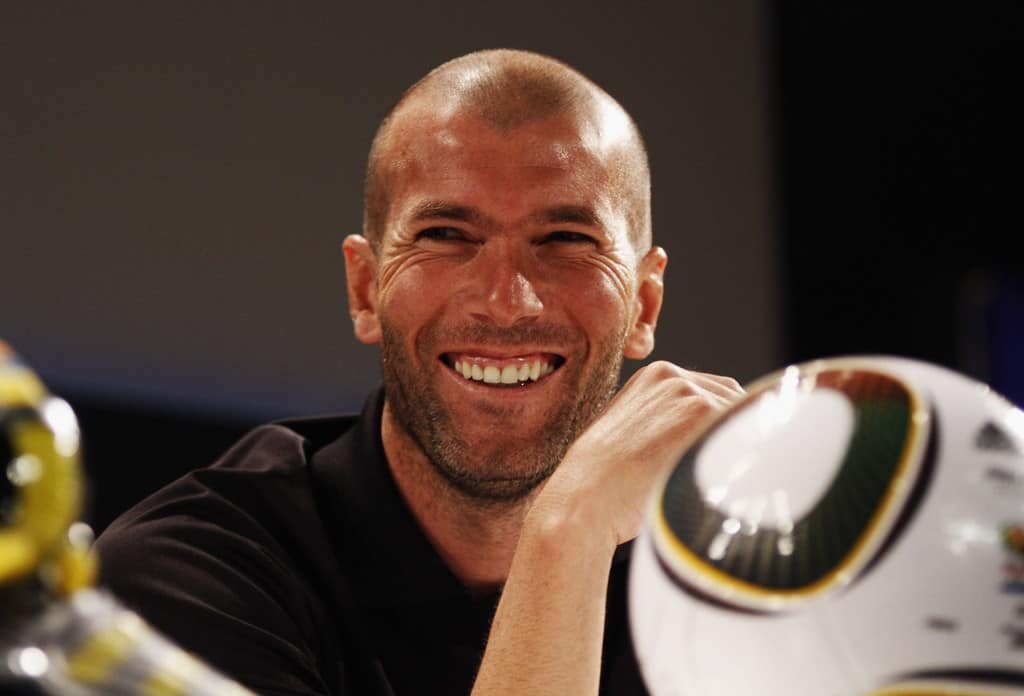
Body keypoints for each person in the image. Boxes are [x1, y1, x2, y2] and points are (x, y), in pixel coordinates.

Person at [95, 49, 744, 695]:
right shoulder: (182, 579)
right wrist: (569, 532)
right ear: (365, 288)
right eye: (445, 234)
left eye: (566, 240)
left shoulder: (730, 585)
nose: (506, 300)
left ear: (644, 304)